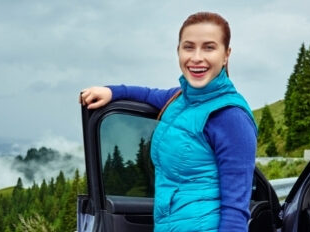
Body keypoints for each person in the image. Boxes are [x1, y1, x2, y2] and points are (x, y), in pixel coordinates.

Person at [79, 12, 257, 232]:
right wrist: (112, 92)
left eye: (209, 47)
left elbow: (235, 211)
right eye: (189, 47)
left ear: (226, 55)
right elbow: (148, 95)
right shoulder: (180, 99)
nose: (197, 57)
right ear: (178, 51)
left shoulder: (231, 116)